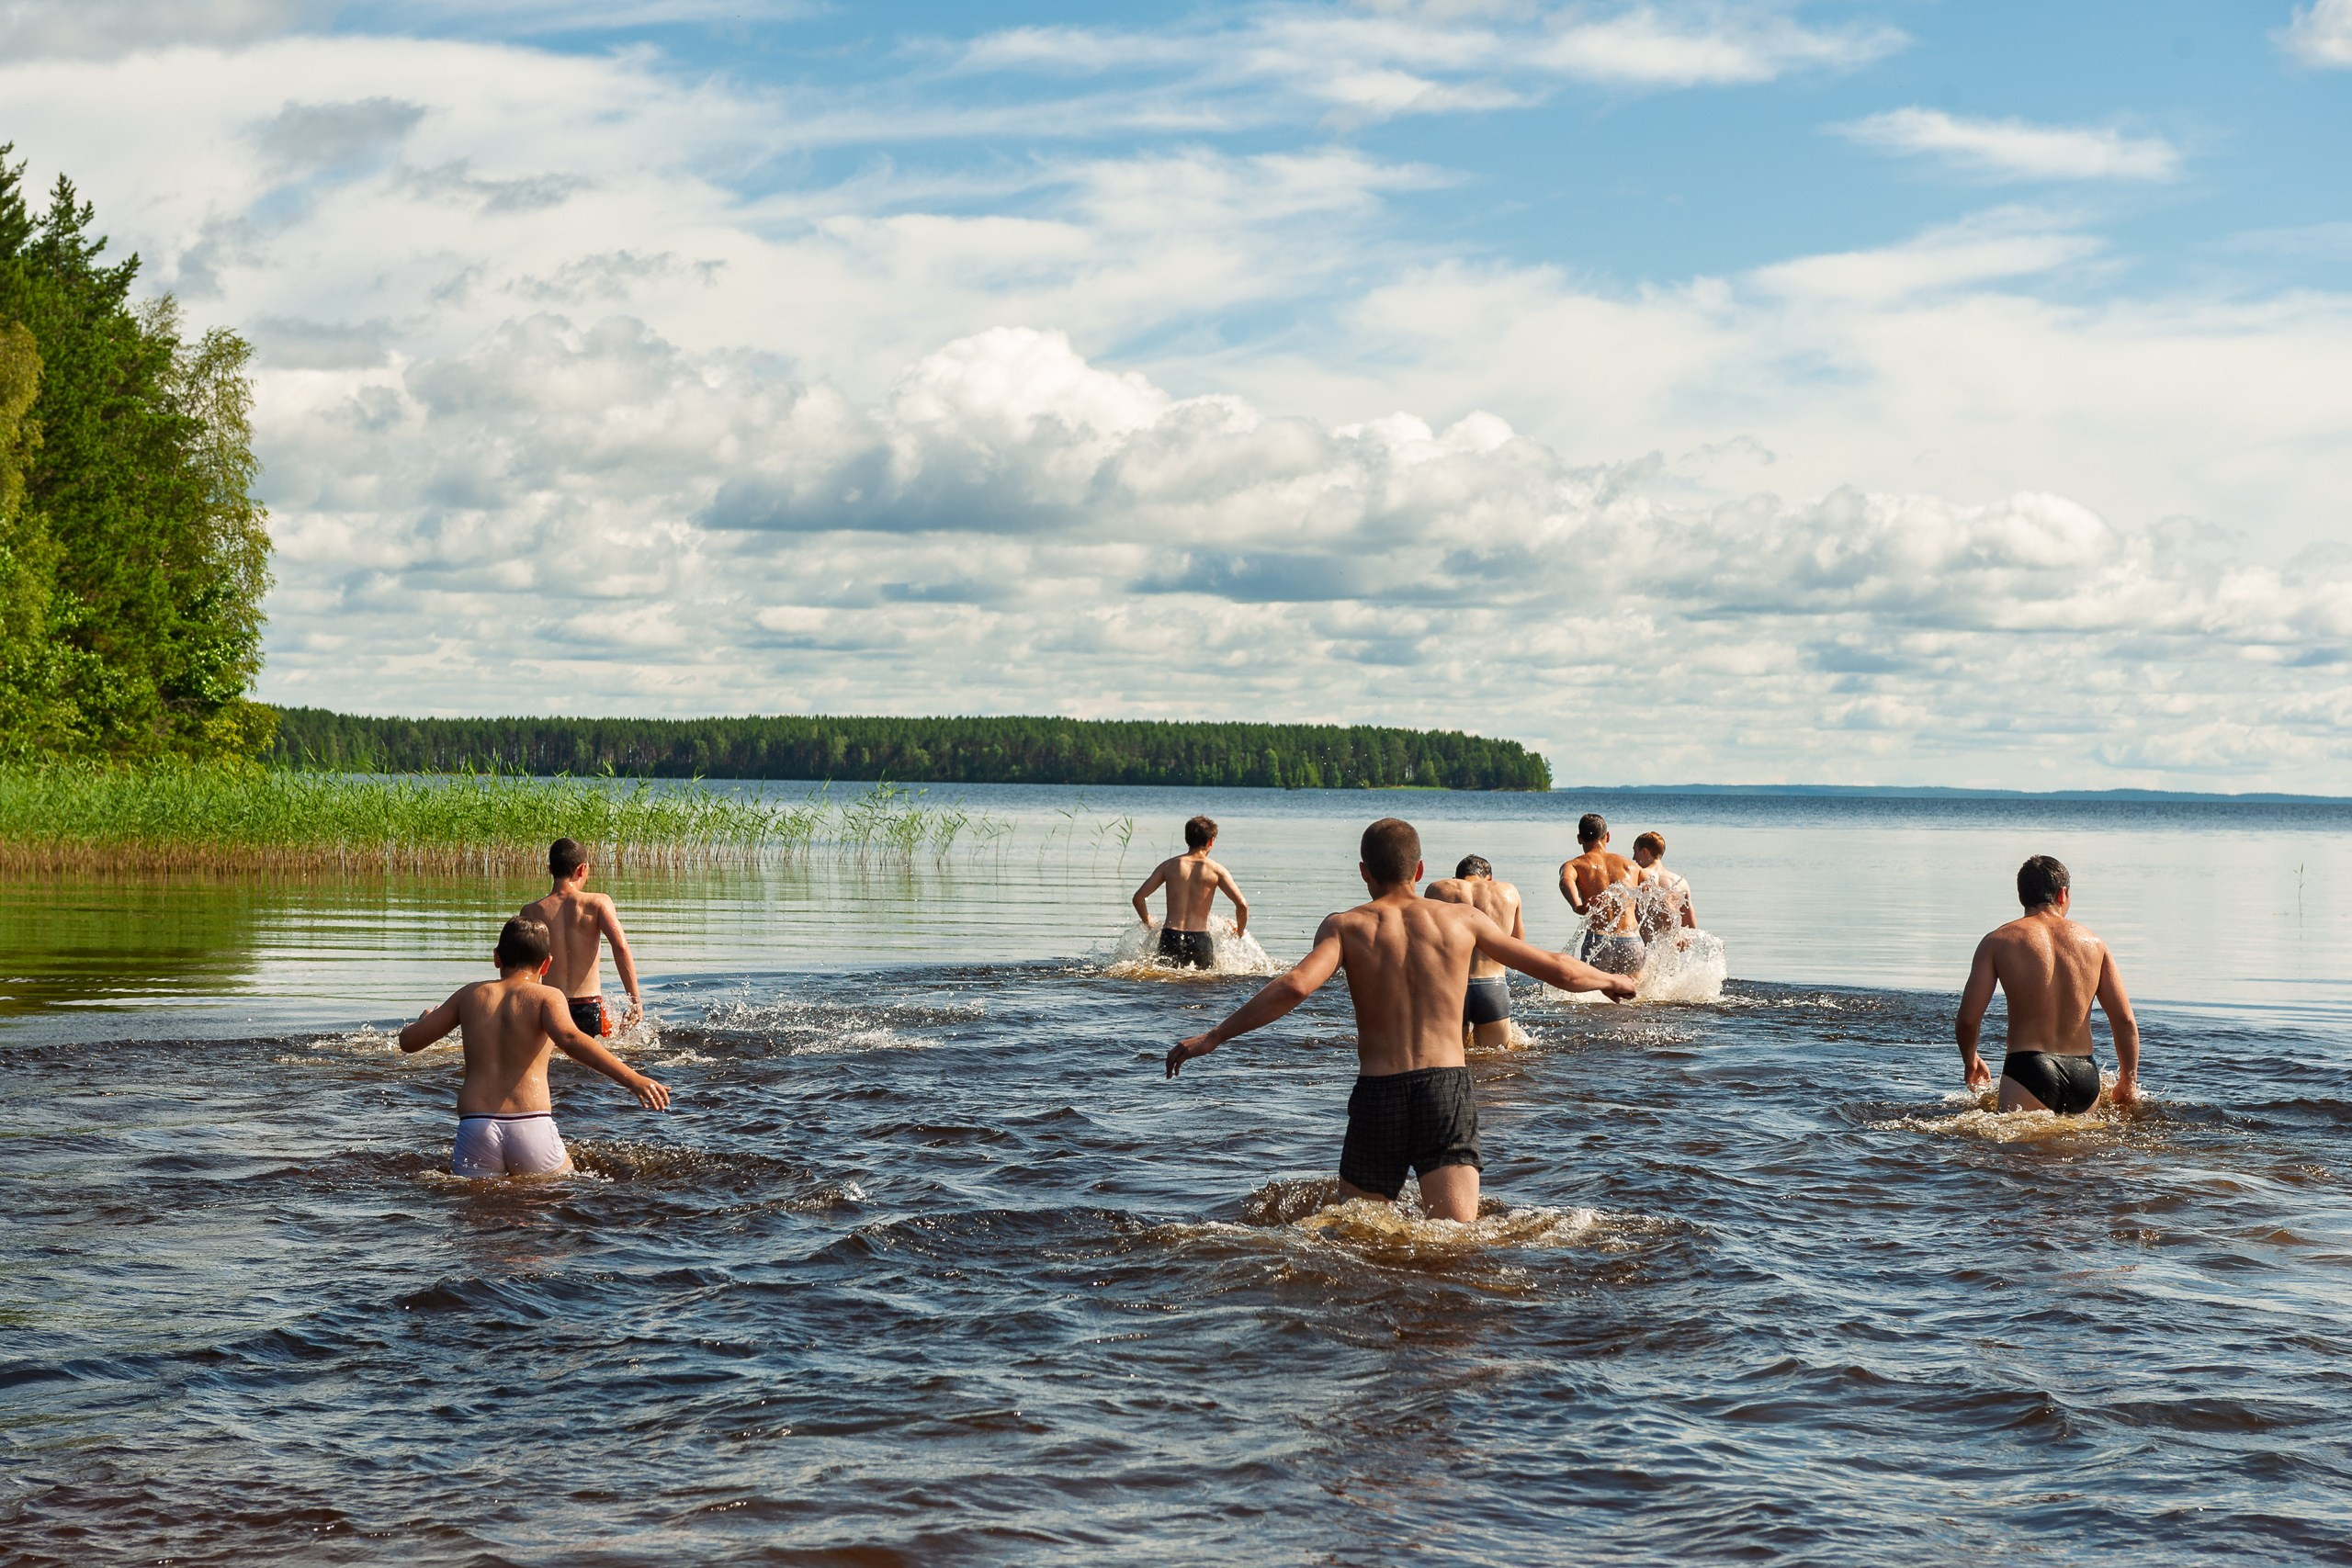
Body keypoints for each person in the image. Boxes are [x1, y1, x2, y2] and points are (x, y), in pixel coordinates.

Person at [1165, 818, 1636, 1222]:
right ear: (1420, 870)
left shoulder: (1345, 926)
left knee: (1357, 1236)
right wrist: (1610, 979)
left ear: (1364, 872)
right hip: (1445, 1089)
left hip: (1379, 1094)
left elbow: (1294, 987)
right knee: (1454, 1240)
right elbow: (1553, 965)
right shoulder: (1462, 920)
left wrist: (1215, 1034)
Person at [398, 917, 672, 1178]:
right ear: (547, 964)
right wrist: (633, 1079)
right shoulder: (547, 996)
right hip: (531, 1122)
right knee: (554, 1200)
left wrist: (423, 1022)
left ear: (496, 957)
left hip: (476, 1126)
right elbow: (571, 1040)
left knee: (477, 1216)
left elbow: (408, 1043)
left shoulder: (470, 995)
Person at [1956, 855, 2142, 1114]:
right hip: (2084, 1074)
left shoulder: (1998, 941)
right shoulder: (2095, 944)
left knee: (2020, 1151)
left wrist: (1971, 1060)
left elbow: (1967, 1020)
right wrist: (2128, 1081)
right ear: (2062, 894)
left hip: (2027, 1069)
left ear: (2022, 896)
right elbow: (2124, 1021)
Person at [522, 837, 642, 1038]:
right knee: (593, 1063)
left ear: (550, 869)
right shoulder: (597, 903)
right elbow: (620, 947)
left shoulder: (531, 910)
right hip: (589, 1007)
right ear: (582, 869)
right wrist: (635, 1001)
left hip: (551, 1007)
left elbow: (524, 965)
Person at [1424, 854, 1525, 1050]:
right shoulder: (1508, 891)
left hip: (1451, 986)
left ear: (1456, 878)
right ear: (1489, 879)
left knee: (1450, 1059)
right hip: (1491, 987)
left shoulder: (1437, 889)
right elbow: (1517, 945)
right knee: (1498, 1062)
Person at [1131, 815, 1250, 971]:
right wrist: (1239, 932)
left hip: (1170, 937)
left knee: (1166, 983)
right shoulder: (1216, 870)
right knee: (1201, 986)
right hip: (1200, 939)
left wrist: (1148, 922)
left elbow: (1138, 898)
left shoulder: (1168, 866)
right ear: (1211, 841)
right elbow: (1242, 904)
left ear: (1186, 839)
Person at [1559, 812, 1643, 975]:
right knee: (1635, 995)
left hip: (1598, 940)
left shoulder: (1574, 865)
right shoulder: (1631, 866)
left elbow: (1565, 881)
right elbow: (1652, 889)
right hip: (1631, 941)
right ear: (1608, 836)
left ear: (1579, 838)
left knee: (1593, 994)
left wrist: (1577, 906)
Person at [1630, 831, 1698, 945]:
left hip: (1642, 945)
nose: (1634, 857)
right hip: (1668, 947)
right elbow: (1691, 929)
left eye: (1635, 851)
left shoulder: (1637, 876)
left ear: (1645, 852)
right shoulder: (1680, 882)